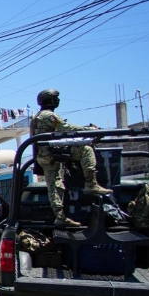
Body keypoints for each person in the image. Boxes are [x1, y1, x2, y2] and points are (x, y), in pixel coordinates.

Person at [29, 88, 111, 227]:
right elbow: (65, 127)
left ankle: (60, 216)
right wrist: (91, 130)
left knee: (54, 186)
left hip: (45, 155)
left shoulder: (38, 117)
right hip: (54, 152)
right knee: (86, 150)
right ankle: (91, 184)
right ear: (49, 100)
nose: (58, 100)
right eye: (55, 98)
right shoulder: (48, 115)